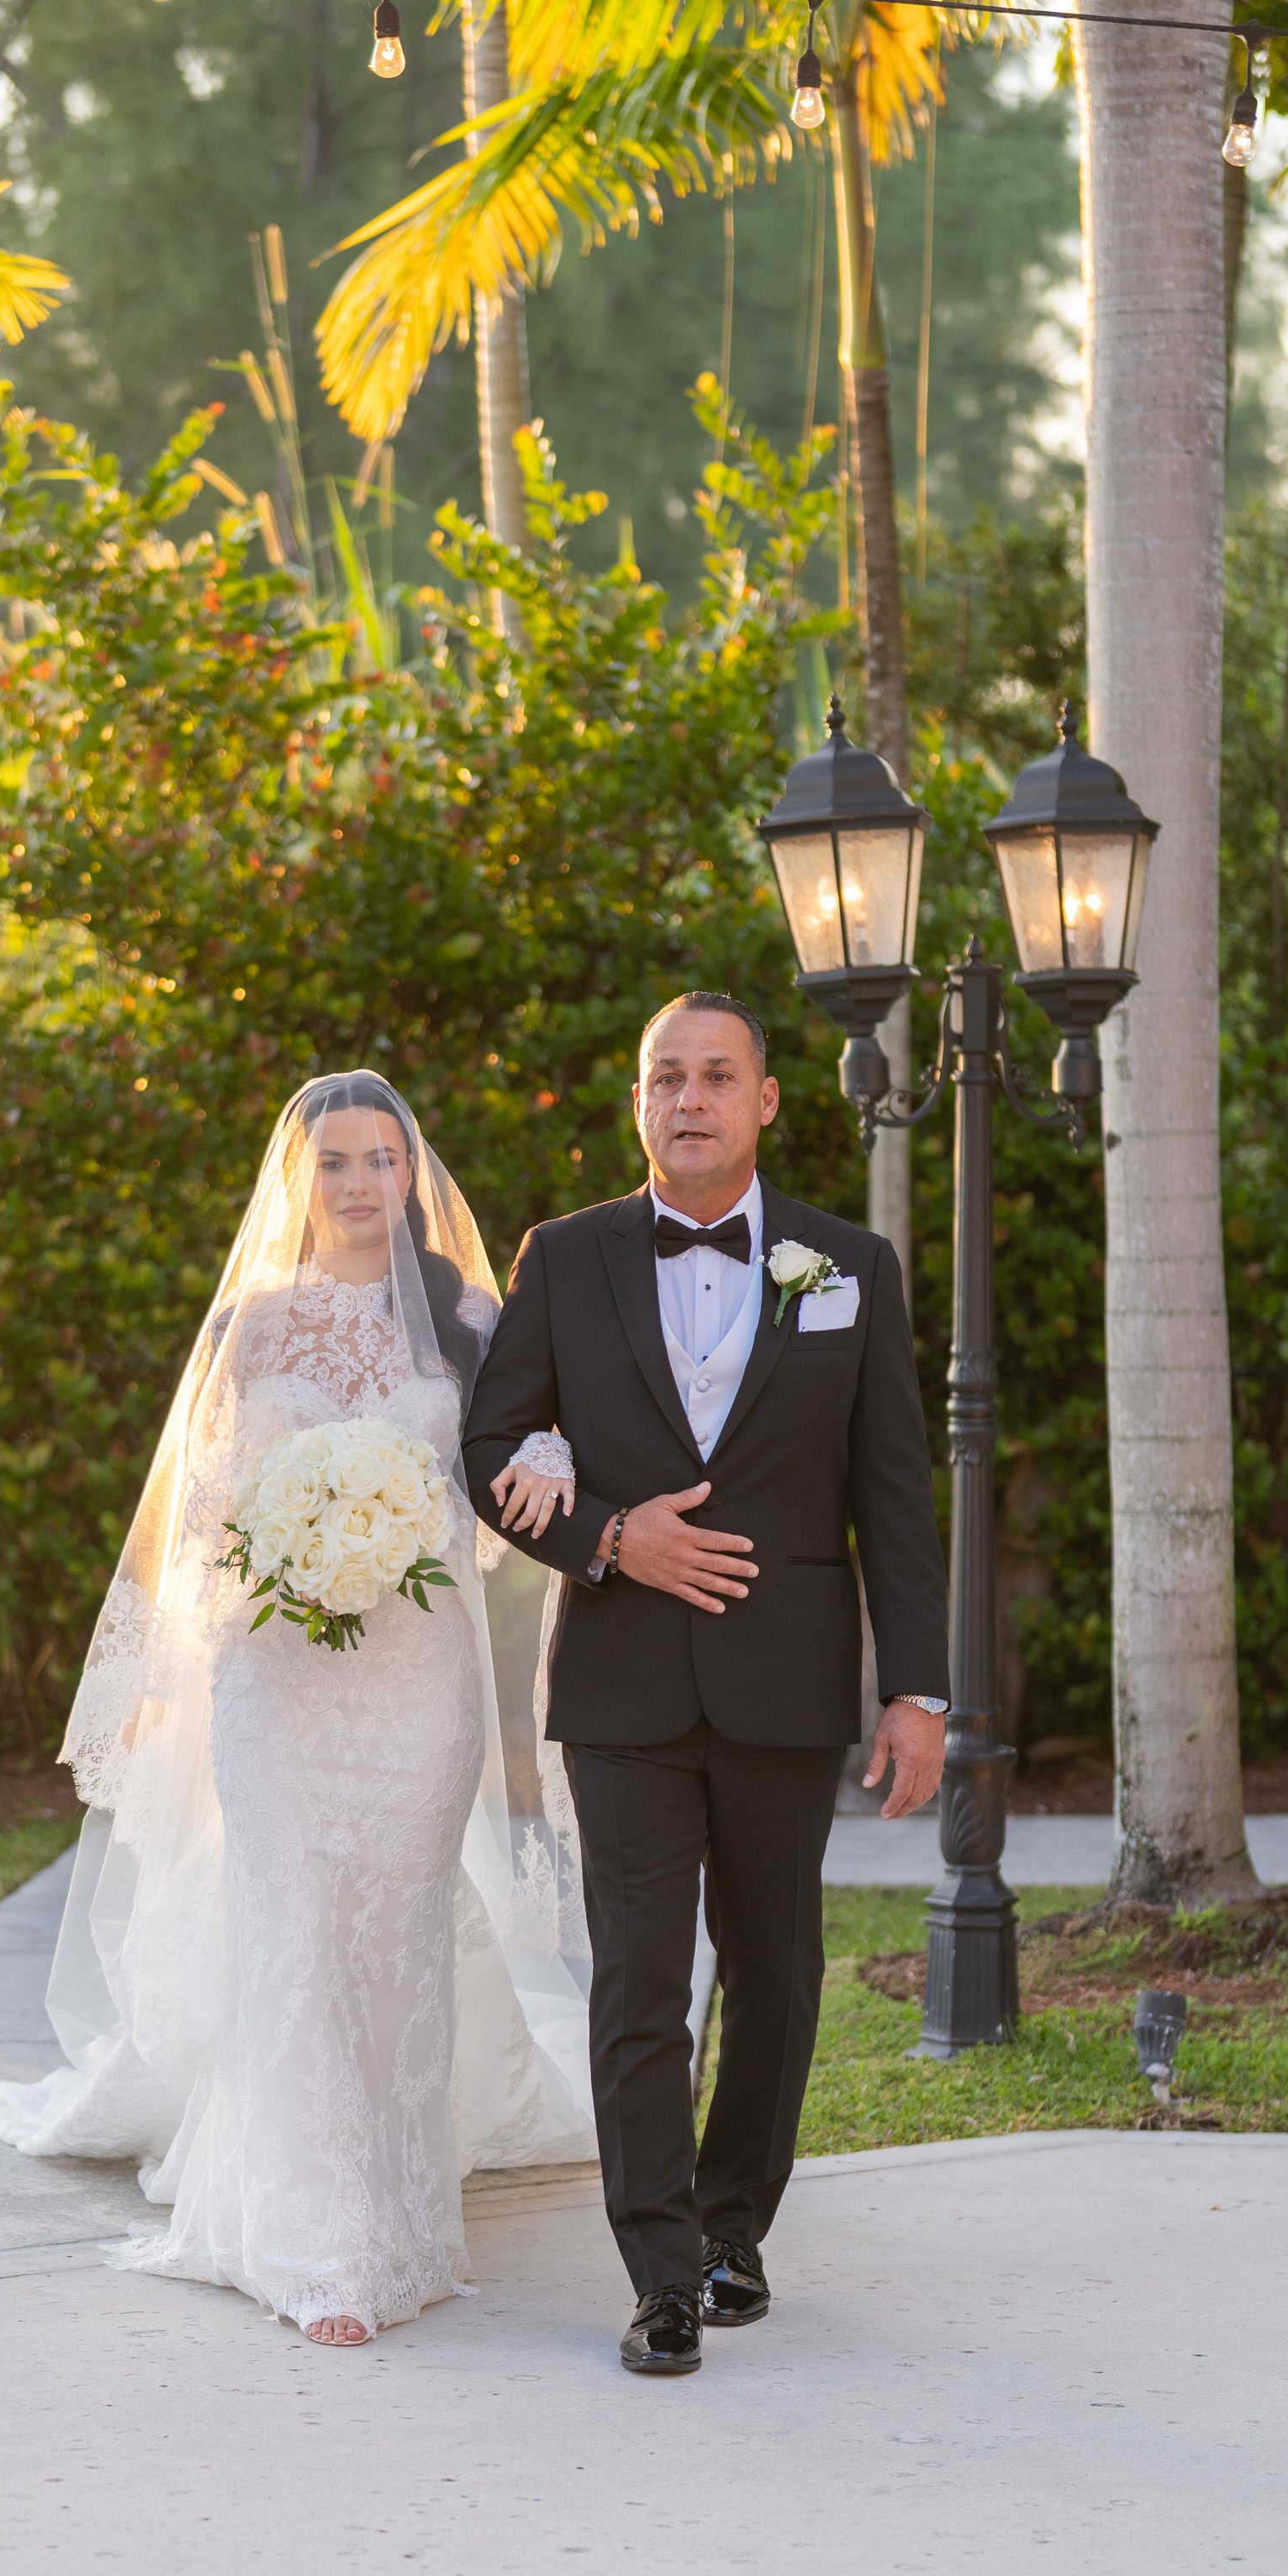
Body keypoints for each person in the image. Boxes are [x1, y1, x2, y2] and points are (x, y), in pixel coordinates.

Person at [0, 1073, 596, 2345]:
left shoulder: (471, 1318)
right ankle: (318, 2243)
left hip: (417, 1686)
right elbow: (199, 1518)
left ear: (413, 1175)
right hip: (276, 1677)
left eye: (384, 1160)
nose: (364, 1184)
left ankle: (404, 2215)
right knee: (301, 1933)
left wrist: (545, 1461)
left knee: (396, 1931)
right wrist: (300, 1548)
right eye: (338, 1163)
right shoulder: (248, 1330)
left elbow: (519, 1455)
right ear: (299, 1180)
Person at [462, 993, 949, 2377]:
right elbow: (493, 1444)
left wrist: (917, 1690)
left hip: (787, 1681)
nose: (689, 1097)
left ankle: (738, 2224)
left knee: (780, 1972)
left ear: (765, 1100)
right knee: (636, 1980)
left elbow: (892, 1493)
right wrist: (612, 1534)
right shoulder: (565, 1258)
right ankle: (661, 2271)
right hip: (619, 1683)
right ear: (638, 1104)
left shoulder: (848, 1263)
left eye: (715, 1076)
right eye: (664, 1076)